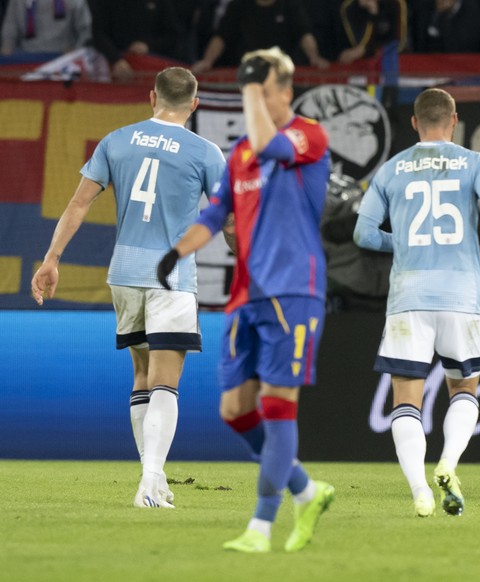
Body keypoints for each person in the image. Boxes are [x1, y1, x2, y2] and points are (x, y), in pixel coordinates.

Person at [157, 47, 334, 552]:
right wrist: (177, 251)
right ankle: (308, 491)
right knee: (235, 410)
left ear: (286, 93)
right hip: (246, 296)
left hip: (295, 292)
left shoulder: (308, 136)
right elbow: (216, 215)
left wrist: (251, 88)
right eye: (255, 88)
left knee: (278, 408)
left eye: (265, 88)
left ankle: (260, 528)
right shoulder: (238, 156)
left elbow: (267, 141)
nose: (258, 96)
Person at [30, 67, 226, 508]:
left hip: (124, 273)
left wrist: (52, 258)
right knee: (166, 383)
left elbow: (79, 203)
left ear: (151, 96)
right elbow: (228, 219)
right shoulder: (206, 152)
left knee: (142, 376)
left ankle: (151, 480)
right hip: (171, 277)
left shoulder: (116, 140)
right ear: (194, 104)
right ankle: (150, 482)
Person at [353, 87, 480, 517]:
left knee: (406, 399)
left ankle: (420, 489)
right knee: (463, 388)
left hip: (409, 297)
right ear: (454, 119)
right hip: (460, 295)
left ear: (414, 122)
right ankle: (449, 463)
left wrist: (400, 242)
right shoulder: (476, 162)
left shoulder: (392, 169)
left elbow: (363, 235)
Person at [192, 0, 330, 74]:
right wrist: (207, 60)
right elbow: (221, 37)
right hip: (247, 73)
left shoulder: (290, 5)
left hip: (281, 73)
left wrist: (314, 57)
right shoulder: (238, 6)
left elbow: (304, 34)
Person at [89, 0, 183, 81]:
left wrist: (148, 46)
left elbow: (173, 36)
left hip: (152, 69)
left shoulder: (160, 2)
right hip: (112, 66)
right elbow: (98, 34)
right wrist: (115, 59)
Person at [1, 0, 92, 55]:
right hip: (26, 59)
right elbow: (9, 35)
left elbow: (86, 31)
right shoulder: (18, 1)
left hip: (64, 58)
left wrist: (76, 52)